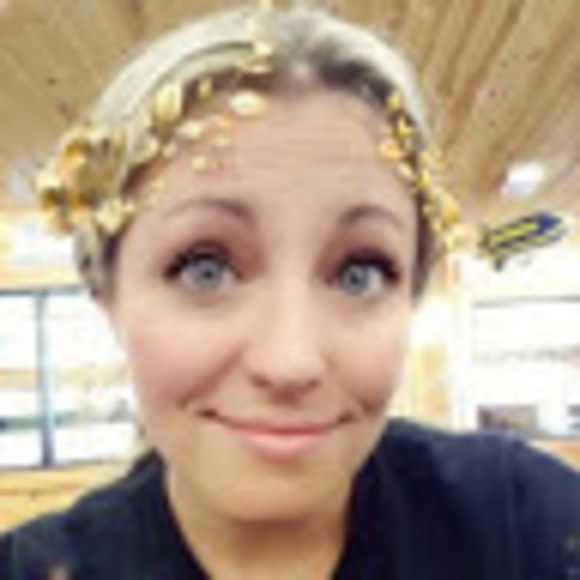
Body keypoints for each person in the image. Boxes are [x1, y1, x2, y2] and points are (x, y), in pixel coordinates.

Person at [1, 3, 579, 579]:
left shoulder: (522, 522)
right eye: (206, 269)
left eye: (359, 274)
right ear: (108, 295)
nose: (290, 362)